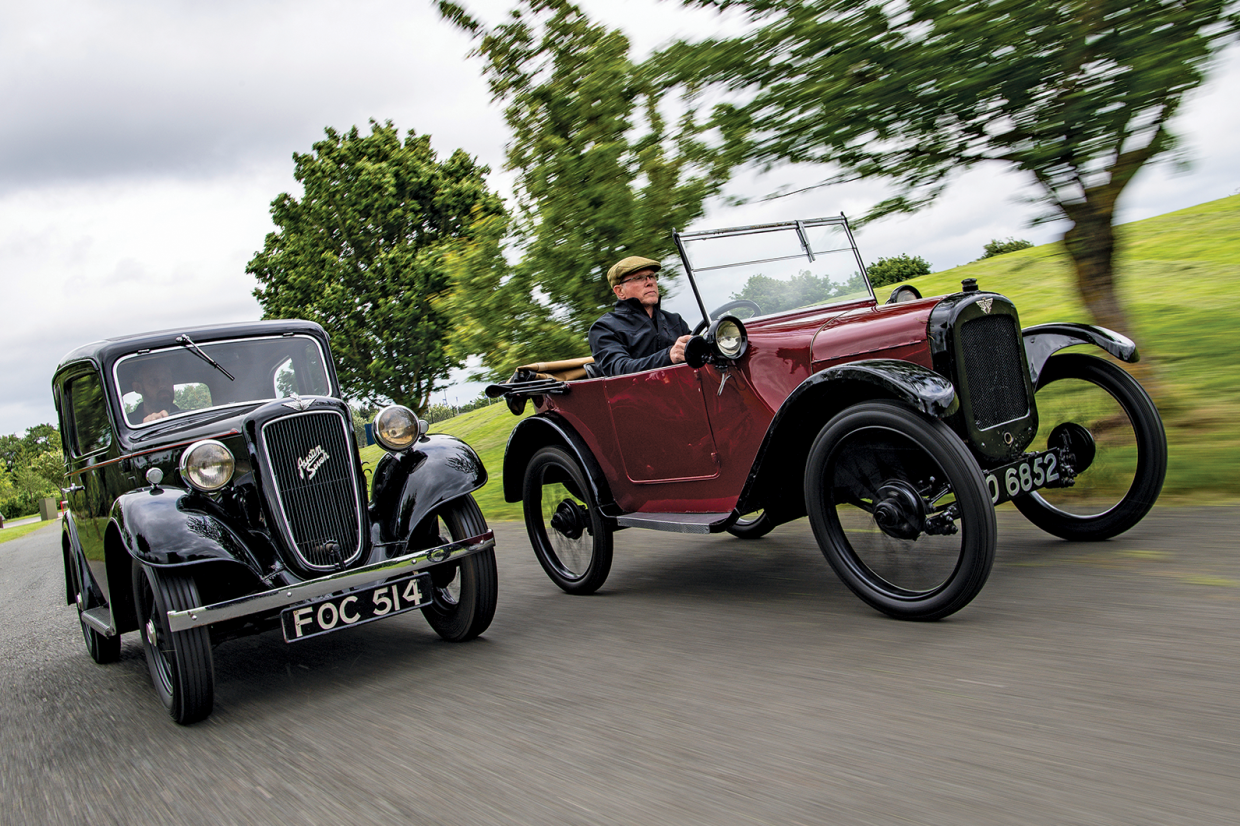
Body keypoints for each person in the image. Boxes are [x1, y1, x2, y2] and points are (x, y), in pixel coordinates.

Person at [588, 256, 693, 377]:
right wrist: (668, 356)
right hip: (635, 394)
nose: (650, 282)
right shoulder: (604, 328)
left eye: (652, 276)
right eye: (639, 278)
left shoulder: (674, 321)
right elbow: (619, 370)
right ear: (620, 291)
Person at [128, 359, 181, 423]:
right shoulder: (128, 424)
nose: (162, 385)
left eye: (167, 378)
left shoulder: (187, 418)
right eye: (153, 381)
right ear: (138, 388)